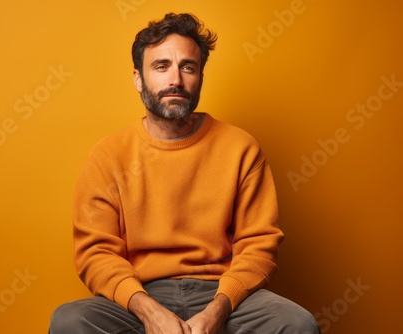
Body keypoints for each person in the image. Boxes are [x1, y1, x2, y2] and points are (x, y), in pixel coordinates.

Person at [49, 12, 320, 334]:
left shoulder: (239, 147)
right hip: (139, 294)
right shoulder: (107, 156)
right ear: (138, 78)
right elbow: (96, 252)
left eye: (187, 67)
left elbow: (259, 244)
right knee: (70, 321)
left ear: (200, 76)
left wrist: (218, 310)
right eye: (161, 66)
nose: (175, 79)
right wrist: (149, 312)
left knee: (297, 323)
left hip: (225, 292)